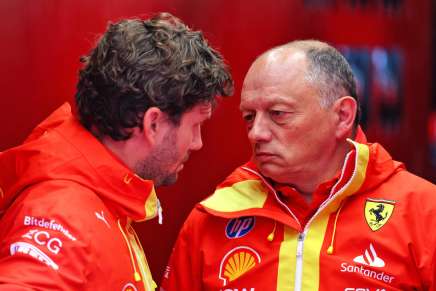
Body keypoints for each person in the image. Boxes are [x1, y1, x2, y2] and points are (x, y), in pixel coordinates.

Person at [160, 40, 436, 291]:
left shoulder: (423, 212)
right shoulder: (213, 217)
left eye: (277, 114)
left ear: (342, 116)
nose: (256, 133)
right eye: (249, 117)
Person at [0, 12, 233, 290]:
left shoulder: (102, 195)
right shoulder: (61, 212)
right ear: (153, 123)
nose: (197, 142)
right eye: (195, 125)